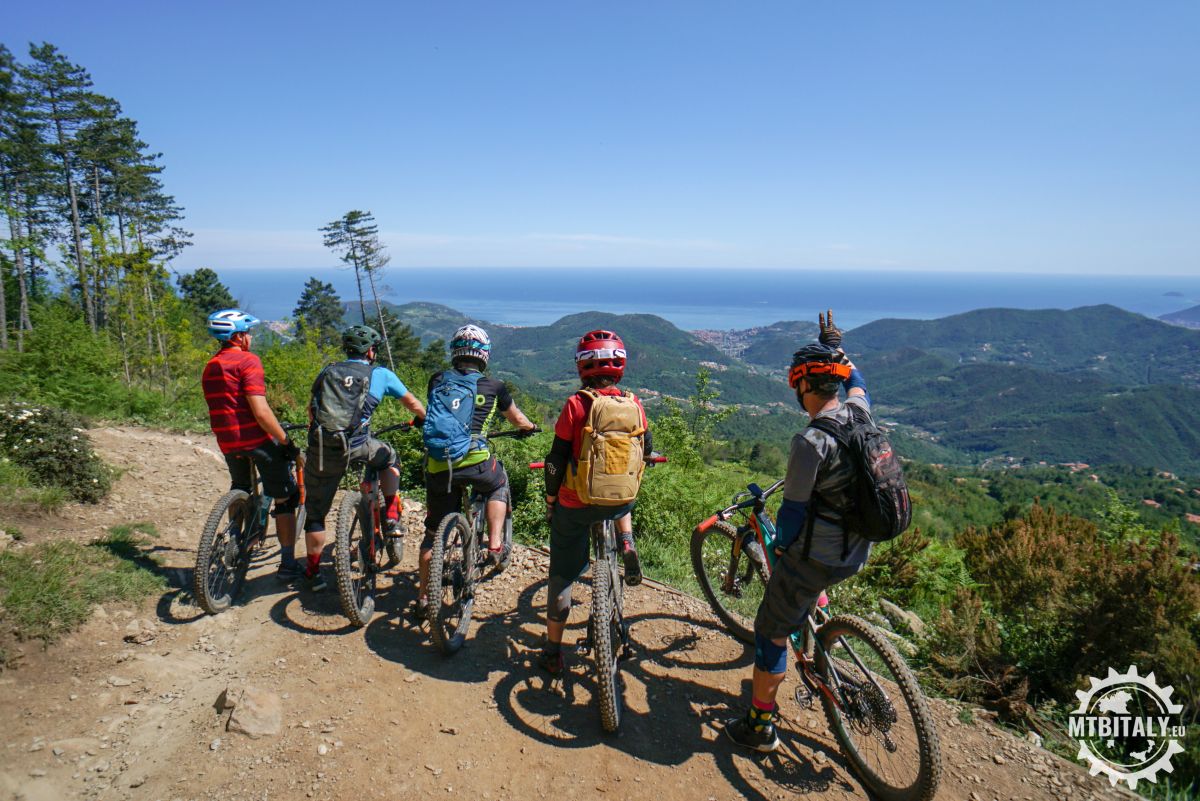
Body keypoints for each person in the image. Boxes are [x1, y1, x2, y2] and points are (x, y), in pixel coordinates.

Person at [724, 310, 874, 752]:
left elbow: (790, 516)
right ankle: (818, 621)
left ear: (802, 387)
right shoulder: (860, 413)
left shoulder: (809, 444)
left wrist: (782, 549)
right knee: (810, 583)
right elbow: (859, 379)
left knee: (769, 629)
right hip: (857, 548)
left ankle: (759, 724)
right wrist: (835, 349)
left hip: (818, 556)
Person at [536, 329, 650, 675]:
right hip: (616, 501)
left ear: (582, 367)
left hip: (574, 502)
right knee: (623, 500)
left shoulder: (576, 404)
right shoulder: (634, 403)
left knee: (561, 576)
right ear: (620, 367)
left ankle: (553, 651)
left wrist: (551, 498)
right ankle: (626, 541)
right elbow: (644, 451)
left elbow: (556, 459)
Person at [417, 325, 537, 615]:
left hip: (439, 465)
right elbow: (517, 418)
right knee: (498, 484)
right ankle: (495, 545)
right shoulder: (494, 387)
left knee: (432, 534)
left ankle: (422, 598)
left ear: (454, 352)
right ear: (484, 355)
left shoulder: (437, 380)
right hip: (476, 462)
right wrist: (529, 428)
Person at [301, 325, 427, 591]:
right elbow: (415, 405)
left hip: (322, 449)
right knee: (389, 456)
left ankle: (312, 574)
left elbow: (312, 411)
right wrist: (421, 421)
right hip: (358, 445)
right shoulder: (379, 374)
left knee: (315, 515)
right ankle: (391, 514)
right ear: (370, 351)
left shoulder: (328, 371)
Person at [201, 309, 303, 580]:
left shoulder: (211, 365)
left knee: (241, 486)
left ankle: (235, 533)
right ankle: (288, 563)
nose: (250, 338)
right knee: (284, 498)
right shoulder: (248, 361)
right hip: (255, 440)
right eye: (248, 333)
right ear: (239, 337)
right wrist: (287, 442)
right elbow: (260, 412)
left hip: (226, 440)